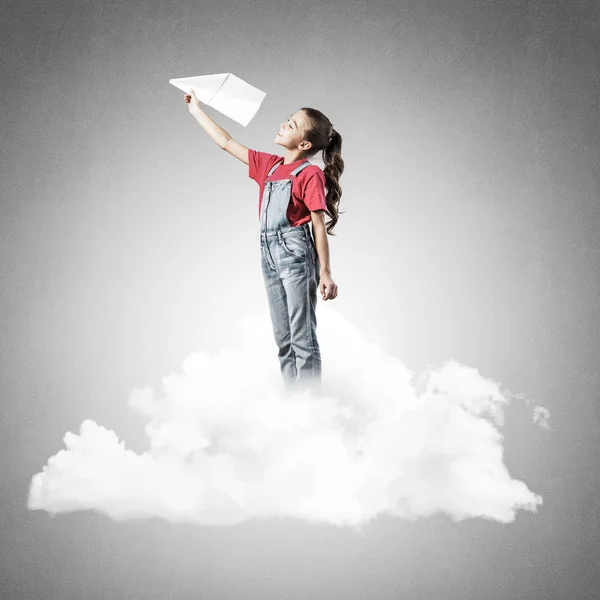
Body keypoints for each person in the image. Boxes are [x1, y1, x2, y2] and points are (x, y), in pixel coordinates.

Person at [184, 89, 344, 393]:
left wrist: (325, 273)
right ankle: (292, 404)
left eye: (292, 125)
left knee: (302, 339)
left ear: (305, 144)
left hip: (295, 256)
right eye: (287, 120)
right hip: (268, 255)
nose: (284, 125)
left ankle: (313, 409)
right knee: (283, 340)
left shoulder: (309, 174)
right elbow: (226, 142)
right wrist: (197, 111)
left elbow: (318, 226)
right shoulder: (268, 166)